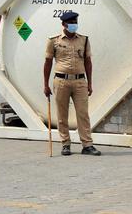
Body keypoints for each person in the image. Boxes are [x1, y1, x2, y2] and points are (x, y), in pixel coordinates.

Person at [43, 11, 101, 156]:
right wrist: (45, 84)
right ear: (63, 24)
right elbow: (48, 63)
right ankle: (65, 144)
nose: (74, 24)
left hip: (80, 81)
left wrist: (90, 83)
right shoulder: (54, 41)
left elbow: (88, 62)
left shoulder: (84, 40)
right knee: (62, 114)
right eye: (71, 22)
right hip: (61, 81)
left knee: (83, 113)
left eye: (75, 21)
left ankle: (87, 145)